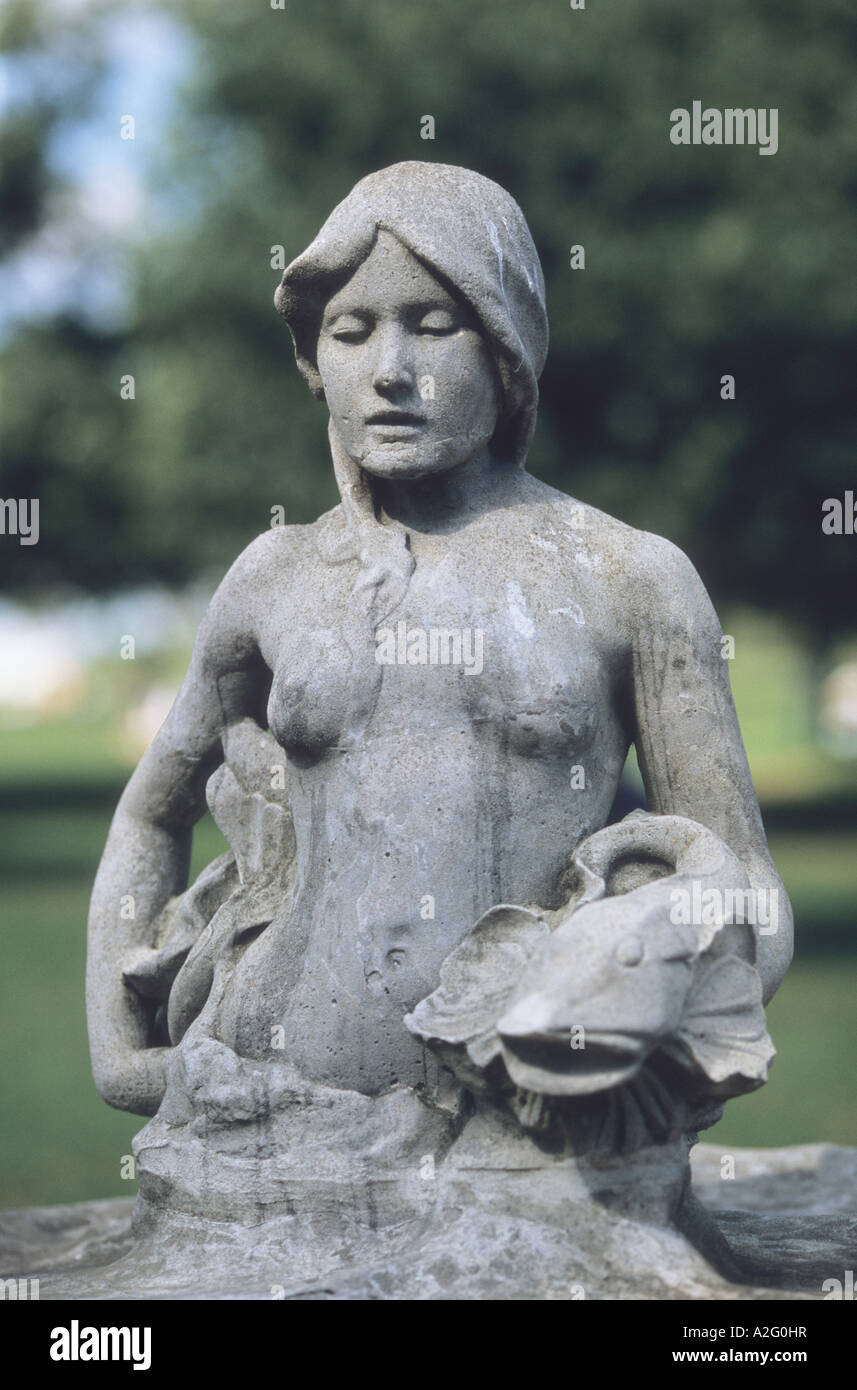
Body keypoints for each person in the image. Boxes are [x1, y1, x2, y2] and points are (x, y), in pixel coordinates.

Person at [87, 162, 792, 1118]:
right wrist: (122, 1056)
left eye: (433, 325)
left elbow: (741, 877)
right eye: (350, 330)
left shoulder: (628, 577)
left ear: (507, 350)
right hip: (267, 1097)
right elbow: (149, 814)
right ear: (316, 358)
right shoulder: (278, 574)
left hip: (529, 1116)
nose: (388, 369)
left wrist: (648, 956)